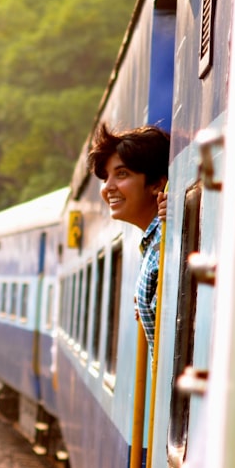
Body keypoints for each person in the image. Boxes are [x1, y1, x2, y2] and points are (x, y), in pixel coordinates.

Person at [86, 121, 170, 359]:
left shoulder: (168, 243)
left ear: (157, 184)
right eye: (106, 178)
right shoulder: (153, 243)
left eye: (121, 174)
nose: (108, 188)